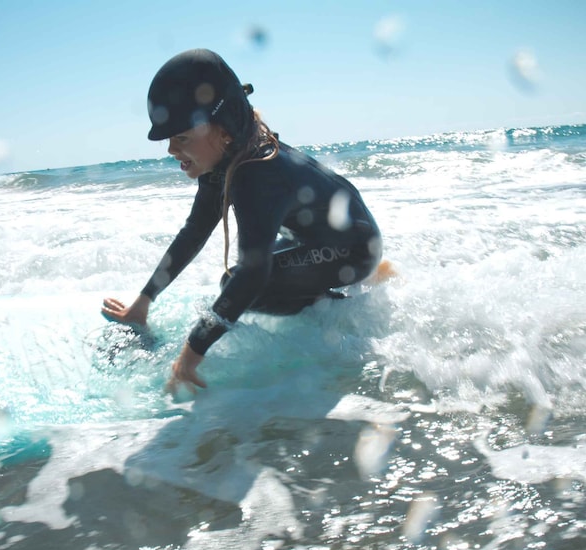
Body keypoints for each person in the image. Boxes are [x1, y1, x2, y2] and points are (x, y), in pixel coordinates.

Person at [102, 49, 384, 394]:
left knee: (241, 285)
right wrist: (144, 301)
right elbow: (194, 231)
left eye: (182, 137)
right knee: (236, 284)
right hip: (318, 239)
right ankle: (349, 283)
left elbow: (253, 274)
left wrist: (190, 353)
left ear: (222, 130)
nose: (171, 150)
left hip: (351, 249)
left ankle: (340, 301)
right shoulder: (227, 159)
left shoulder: (256, 175)